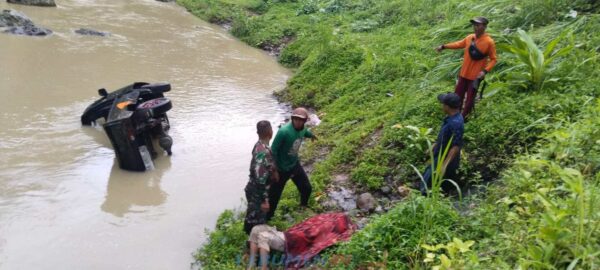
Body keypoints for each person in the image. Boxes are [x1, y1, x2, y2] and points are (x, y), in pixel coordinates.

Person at [435, 16, 497, 120]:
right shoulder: (470, 37)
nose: (475, 27)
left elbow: (494, 59)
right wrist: (444, 46)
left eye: (478, 25)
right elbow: (458, 44)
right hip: (463, 74)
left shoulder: (489, 42)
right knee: (457, 96)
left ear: (485, 26)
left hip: (475, 77)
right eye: (474, 25)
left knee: (469, 99)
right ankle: (455, 115)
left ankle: (463, 119)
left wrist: (485, 71)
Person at [267, 107, 317, 220]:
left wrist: (312, 135)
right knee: (273, 197)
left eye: (301, 120)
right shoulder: (283, 132)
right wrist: (274, 170)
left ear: (304, 121)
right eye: (296, 119)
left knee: (306, 188)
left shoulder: (303, 128)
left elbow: (305, 132)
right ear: (292, 118)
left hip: (294, 165)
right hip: (281, 169)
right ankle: (267, 219)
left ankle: (303, 206)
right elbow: (272, 151)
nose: (298, 122)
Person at [420, 93, 464, 196]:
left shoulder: (455, 123)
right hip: (438, 155)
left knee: (426, 185)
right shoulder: (451, 118)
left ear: (447, 106)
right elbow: (447, 137)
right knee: (436, 182)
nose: (441, 106)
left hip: (443, 159)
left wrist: (444, 165)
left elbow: (456, 146)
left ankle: (424, 202)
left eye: (443, 104)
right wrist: (434, 145)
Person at [244, 121, 279, 234]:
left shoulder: (258, 145)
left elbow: (264, 167)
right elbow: (260, 179)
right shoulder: (263, 152)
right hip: (257, 192)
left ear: (257, 133)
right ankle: (251, 243)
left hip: (253, 188)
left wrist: (273, 171)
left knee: (253, 216)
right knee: (256, 220)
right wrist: (264, 200)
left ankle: (251, 239)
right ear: (271, 132)